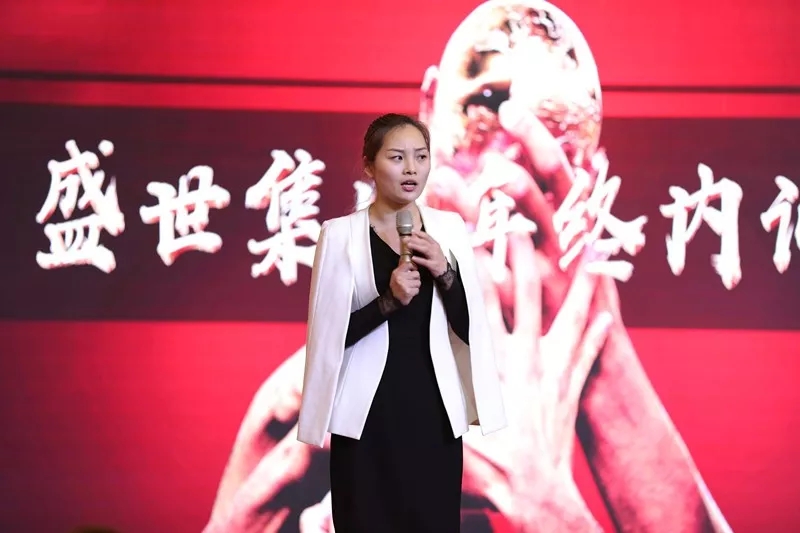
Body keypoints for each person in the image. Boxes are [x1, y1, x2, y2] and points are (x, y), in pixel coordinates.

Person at [295, 113, 507, 532]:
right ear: (369, 165)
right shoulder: (339, 235)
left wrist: (444, 271)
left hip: (433, 418)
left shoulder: (448, 229)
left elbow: (471, 329)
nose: (411, 169)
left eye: (421, 157)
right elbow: (328, 338)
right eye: (397, 157)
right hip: (366, 422)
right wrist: (388, 302)